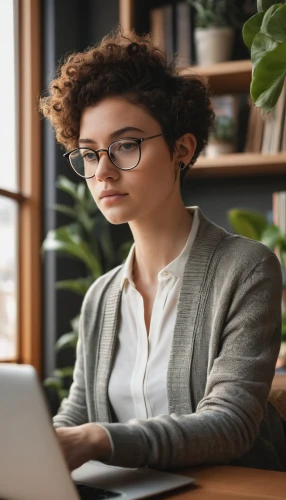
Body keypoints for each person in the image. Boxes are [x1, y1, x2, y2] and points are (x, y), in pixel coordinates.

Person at [40, 29, 286, 473]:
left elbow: (230, 423)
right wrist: (42, 448)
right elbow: (76, 415)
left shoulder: (246, 269)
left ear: (181, 149)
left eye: (126, 145)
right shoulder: (101, 295)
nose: (104, 172)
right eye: (90, 154)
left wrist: (98, 439)